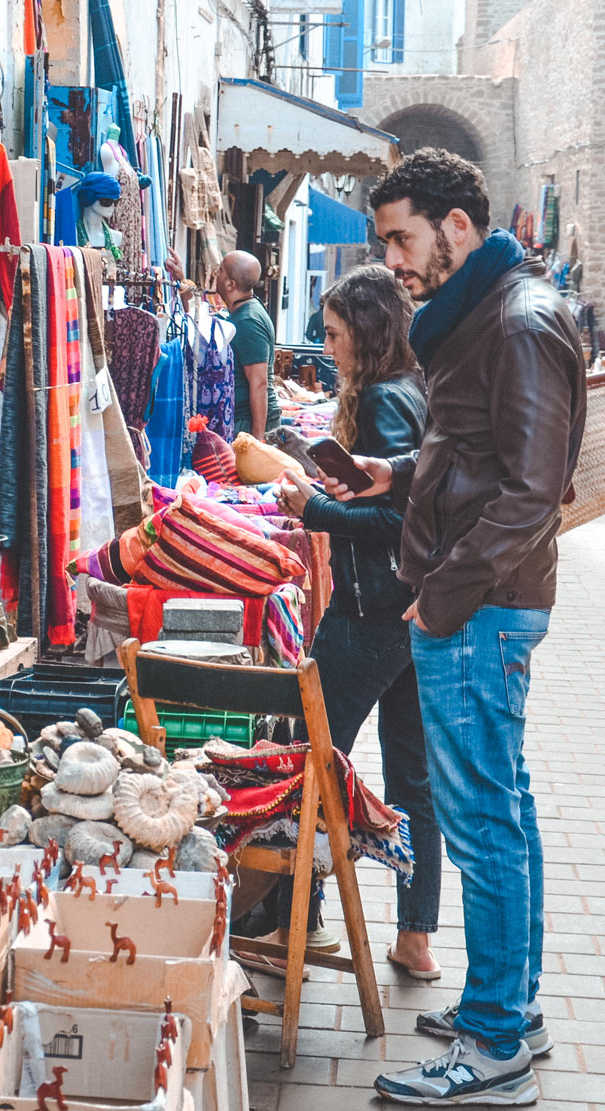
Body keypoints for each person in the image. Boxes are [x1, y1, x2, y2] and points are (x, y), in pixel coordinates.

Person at [326, 149, 586, 1105]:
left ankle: (491, 1048)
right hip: (477, 601)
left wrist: (438, 598)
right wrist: (394, 477)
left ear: (459, 226)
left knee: (484, 824)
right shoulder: (485, 316)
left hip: (478, 606)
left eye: (402, 235)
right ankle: (508, 1010)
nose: (392, 257)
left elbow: (529, 494)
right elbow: (476, 450)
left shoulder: (516, 322)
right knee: (500, 814)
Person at [274, 264, 441, 980]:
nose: (329, 346)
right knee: (412, 775)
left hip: (372, 609)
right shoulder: (412, 389)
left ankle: (299, 919)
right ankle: (416, 937)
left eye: (337, 334)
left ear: (366, 335)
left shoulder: (382, 401)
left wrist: (312, 507)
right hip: (408, 613)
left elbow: (397, 516)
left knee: (310, 755)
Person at [214, 250, 281, 439]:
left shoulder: (248, 320)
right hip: (243, 419)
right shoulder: (243, 311)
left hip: (248, 423)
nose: (215, 273)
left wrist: (257, 440)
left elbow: (259, 383)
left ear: (230, 284)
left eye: (220, 270)